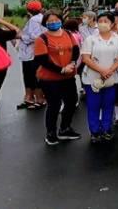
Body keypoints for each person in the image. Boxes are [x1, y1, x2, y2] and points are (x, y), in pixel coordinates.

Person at [80, 12, 118, 143]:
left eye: (106, 21)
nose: (102, 24)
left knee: (108, 105)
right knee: (93, 106)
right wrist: (101, 70)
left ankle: (107, 129)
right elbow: (85, 58)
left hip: (111, 78)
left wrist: (110, 70)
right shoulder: (90, 39)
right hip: (92, 78)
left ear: (112, 24)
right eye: (100, 21)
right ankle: (95, 132)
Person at [34, 11, 81, 145]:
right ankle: (51, 133)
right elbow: (42, 60)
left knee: (71, 102)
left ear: (61, 20)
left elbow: (75, 50)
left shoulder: (68, 34)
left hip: (68, 76)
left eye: (56, 20)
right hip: (50, 78)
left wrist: (72, 63)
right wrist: (61, 69)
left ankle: (65, 128)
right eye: (50, 21)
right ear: (45, 23)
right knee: (54, 105)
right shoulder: (42, 38)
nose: (53, 23)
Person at [17, 0, 45, 110]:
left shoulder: (34, 20)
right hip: (32, 53)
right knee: (30, 76)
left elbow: (35, 36)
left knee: (32, 77)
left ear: (28, 10)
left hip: (32, 53)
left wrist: (21, 37)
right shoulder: (40, 18)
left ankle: (38, 99)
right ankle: (29, 98)